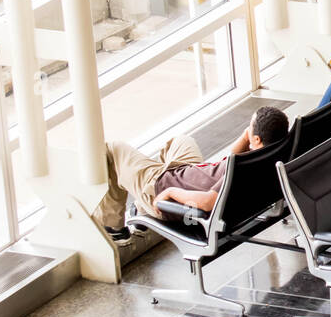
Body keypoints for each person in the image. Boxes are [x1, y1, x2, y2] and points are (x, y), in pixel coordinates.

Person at [95, 104, 290, 243]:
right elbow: (231, 158)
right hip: (190, 174)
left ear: (256, 139)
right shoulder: (267, 159)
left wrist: (170, 192)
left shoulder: (243, 171)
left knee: (113, 150)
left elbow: (207, 202)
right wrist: (248, 135)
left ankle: (114, 227)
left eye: (250, 128)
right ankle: (142, 205)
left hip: (162, 187)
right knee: (180, 140)